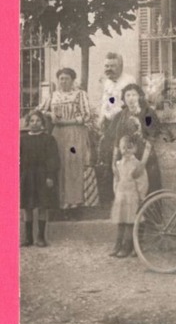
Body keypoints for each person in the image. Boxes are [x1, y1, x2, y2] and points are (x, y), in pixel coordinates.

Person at [46, 67, 98, 210]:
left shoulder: (80, 94)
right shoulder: (54, 95)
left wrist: (68, 121)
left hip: (75, 132)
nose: (63, 81)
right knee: (59, 164)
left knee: (73, 164)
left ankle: (74, 200)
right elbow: (41, 109)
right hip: (58, 134)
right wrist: (50, 115)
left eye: (66, 78)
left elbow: (87, 114)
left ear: (73, 80)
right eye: (61, 78)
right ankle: (61, 200)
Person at [97, 53, 135, 206]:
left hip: (122, 124)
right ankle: (110, 200)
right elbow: (105, 102)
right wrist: (101, 117)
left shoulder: (128, 80)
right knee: (108, 160)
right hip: (108, 125)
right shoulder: (107, 82)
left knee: (122, 159)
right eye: (106, 66)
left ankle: (124, 200)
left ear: (120, 66)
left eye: (112, 66)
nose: (109, 69)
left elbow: (130, 104)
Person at [20, 110, 60, 247]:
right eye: (32, 121)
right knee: (28, 207)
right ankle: (28, 238)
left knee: (43, 205)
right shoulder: (22, 139)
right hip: (27, 176)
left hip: (43, 176)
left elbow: (53, 160)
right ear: (28, 122)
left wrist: (50, 176)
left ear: (42, 123)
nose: (34, 123)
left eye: (38, 121)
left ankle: (41, 237)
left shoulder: (48, 139)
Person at [116, 83, 163, 195]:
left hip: (145, 157)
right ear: (123, 98)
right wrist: (115, 163)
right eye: (127, 95)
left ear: (140, 97)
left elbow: (151, 138)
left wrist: (142, 164)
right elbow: (117, 139)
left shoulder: (147, 113)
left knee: (149, 191)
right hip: (127, 158)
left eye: (134, 95)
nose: (131, 98)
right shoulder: (123, 115)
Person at [109, 135, 149, 258]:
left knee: (129, 223)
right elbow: (116, 179)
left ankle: (127, 247)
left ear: (135, 149)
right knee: (121, 222)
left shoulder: (137, 165)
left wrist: (141, 195)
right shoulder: (118, 164)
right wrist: (117, 192)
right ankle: (117, 245)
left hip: (132, 198)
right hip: (121, 197)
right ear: (120, 149)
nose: (126, 151)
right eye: (123, 148)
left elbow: (142, 182)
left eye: (129, 148)